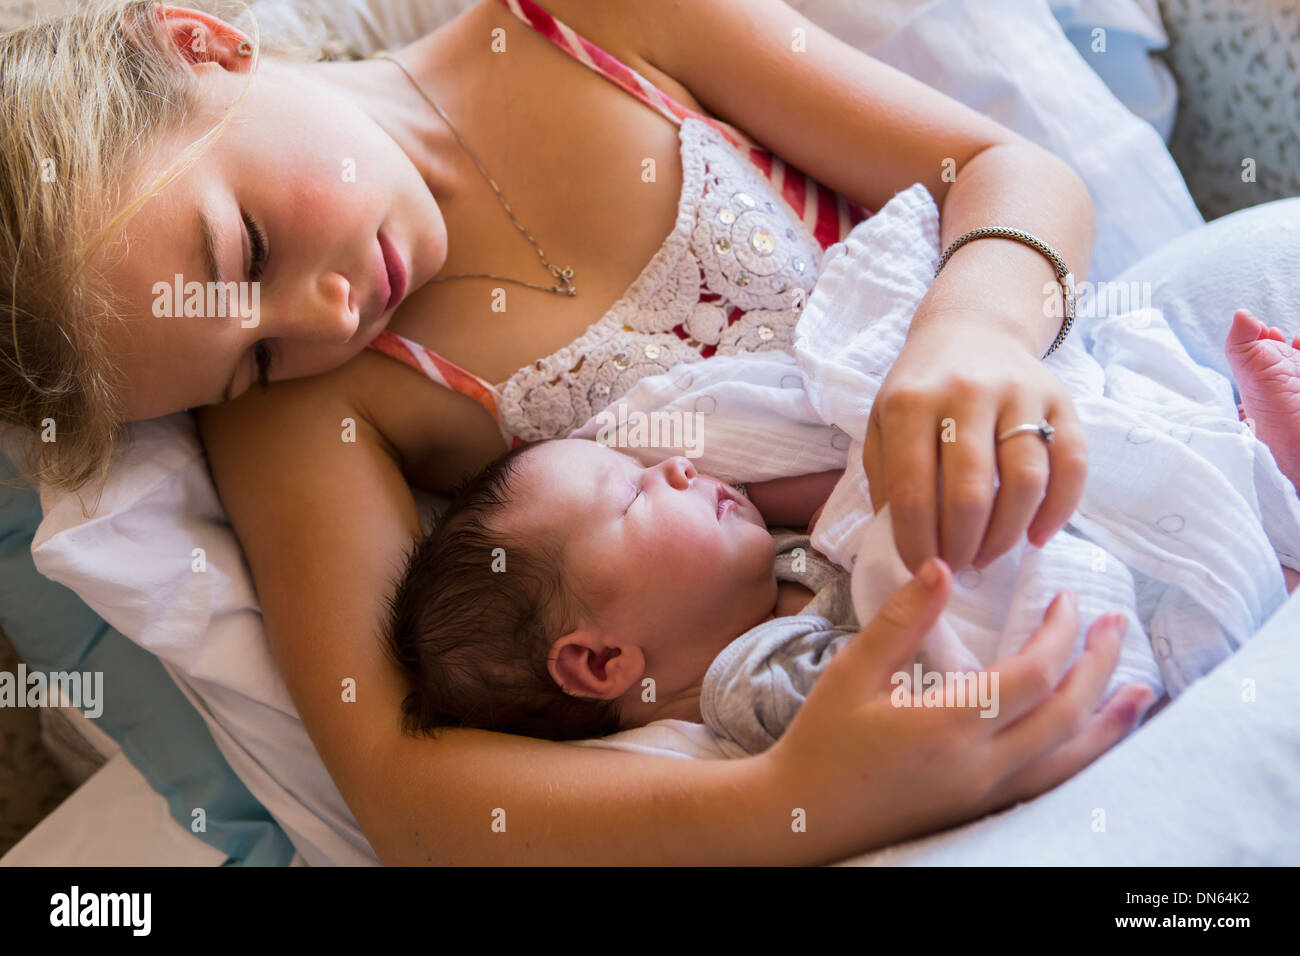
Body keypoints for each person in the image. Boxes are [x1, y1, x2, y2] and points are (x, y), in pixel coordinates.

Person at [1, 0, 1158, 863]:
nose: (328, 316)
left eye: (244, 248)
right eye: (249, 357)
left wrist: (975, 330)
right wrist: (801, 794)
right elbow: (404, 788)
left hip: (1086, 437)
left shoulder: (589, 25)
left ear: (202, 42)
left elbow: (1002, 171)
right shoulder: (321, 409)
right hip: (936, 644)